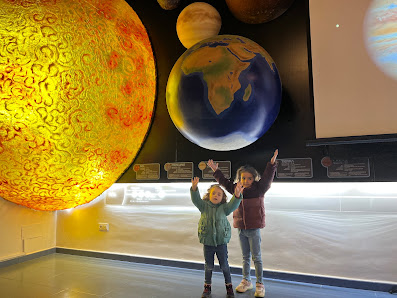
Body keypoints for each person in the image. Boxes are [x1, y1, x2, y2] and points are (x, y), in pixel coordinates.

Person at [207, 149, 278, 298]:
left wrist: (272, 164)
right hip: (241, 229)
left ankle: (260, 284)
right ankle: (247, 281)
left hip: (254, 228)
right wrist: (216, 170)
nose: (246, 181)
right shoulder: (236, 189)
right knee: (245, 256)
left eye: (249, 178)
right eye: (243, 178)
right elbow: (225, 182)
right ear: (239, 179)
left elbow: (267, 178)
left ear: (254, 179)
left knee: (256, 257)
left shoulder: (259, 189)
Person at [191, 177, 244, 298]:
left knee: (224, 265)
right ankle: (207, 287)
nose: (216, 195)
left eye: (219, 194)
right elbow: (196, 200)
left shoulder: (224, 208)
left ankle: (229, 286)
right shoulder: (203, 206)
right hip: (208, 243)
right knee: (208, 266)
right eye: (213, 193)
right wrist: (194, 188)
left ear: (222, 198)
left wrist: (236, 194)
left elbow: (233, 204)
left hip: (221, 243)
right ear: (209, 195)